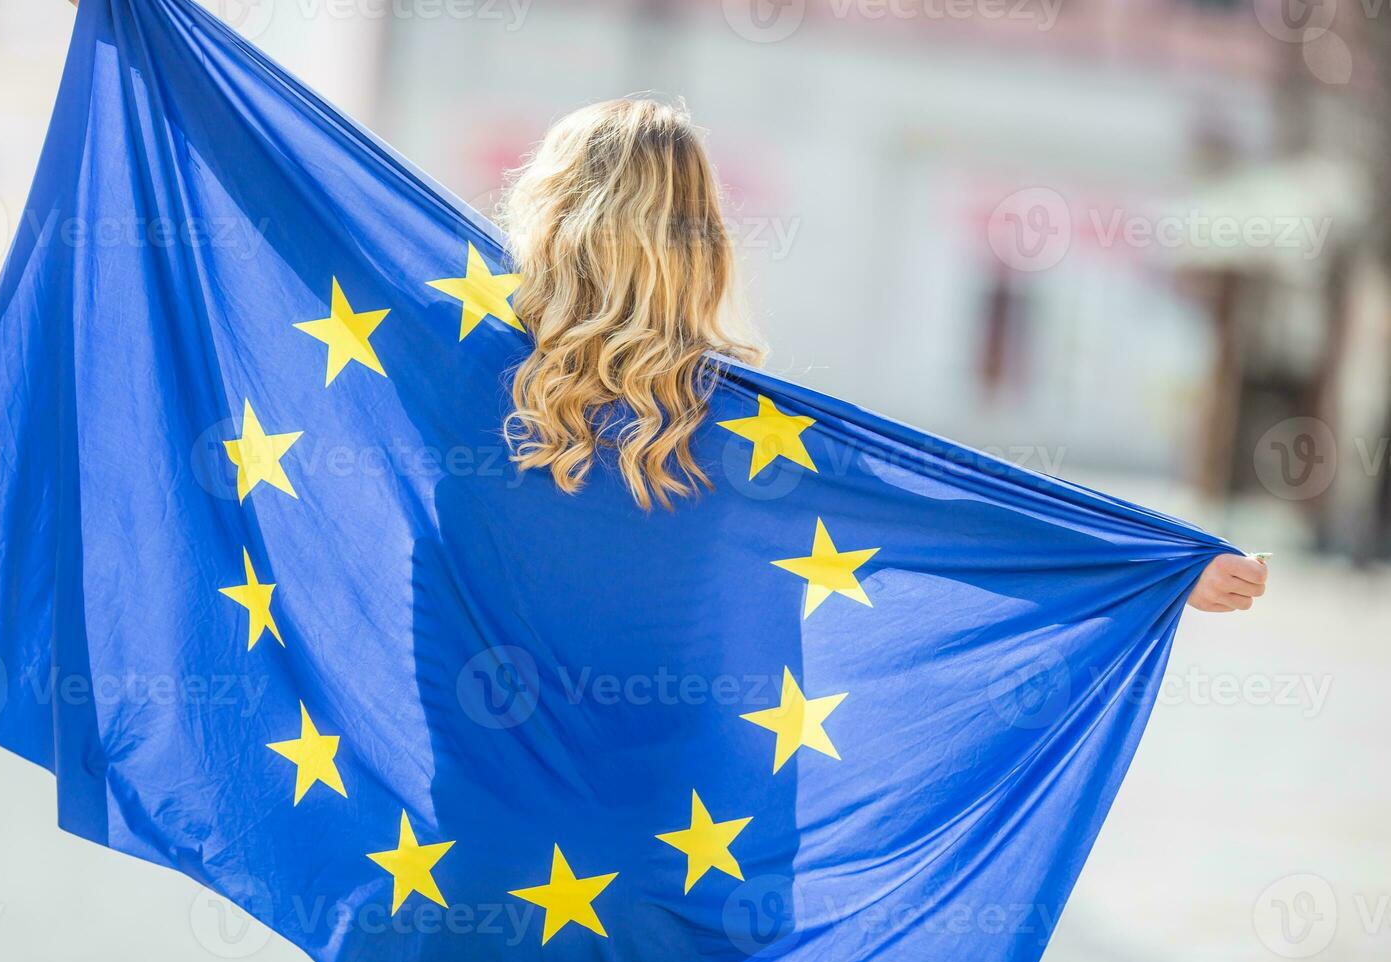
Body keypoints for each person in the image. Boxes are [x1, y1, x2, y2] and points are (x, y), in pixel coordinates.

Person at [494, 97, 1268, 613]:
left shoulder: (452, 369)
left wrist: (1159, 563)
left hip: (457, 822)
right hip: (683, 830)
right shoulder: (745, 431)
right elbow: (942, 507)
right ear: (702, 240)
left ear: (550, 212)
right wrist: (1151, 565)